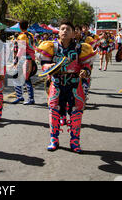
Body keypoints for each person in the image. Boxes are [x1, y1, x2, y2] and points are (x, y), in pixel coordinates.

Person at [36, 20, 96, 153]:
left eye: (68, 29)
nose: (64, 31)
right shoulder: (51, 47)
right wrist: (48, 67)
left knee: (76, 113)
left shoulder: (81, 48)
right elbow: (44, 64)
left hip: (74, 85)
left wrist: (85, 71)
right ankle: (54, 139)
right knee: (53, 111)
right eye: (62, 28)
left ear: (74, 34)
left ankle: (75, 141)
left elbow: (87, 65)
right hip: (56, 84)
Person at [12, 20, 36, 105]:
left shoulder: (22, 36)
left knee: (25, 79)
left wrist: (16, 60)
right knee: (20, 77)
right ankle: (21, 97)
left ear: (19, 26)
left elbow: (21, 49)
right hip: (30, 58)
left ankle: (29, 99)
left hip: (25, 59)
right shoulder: (31, 35)